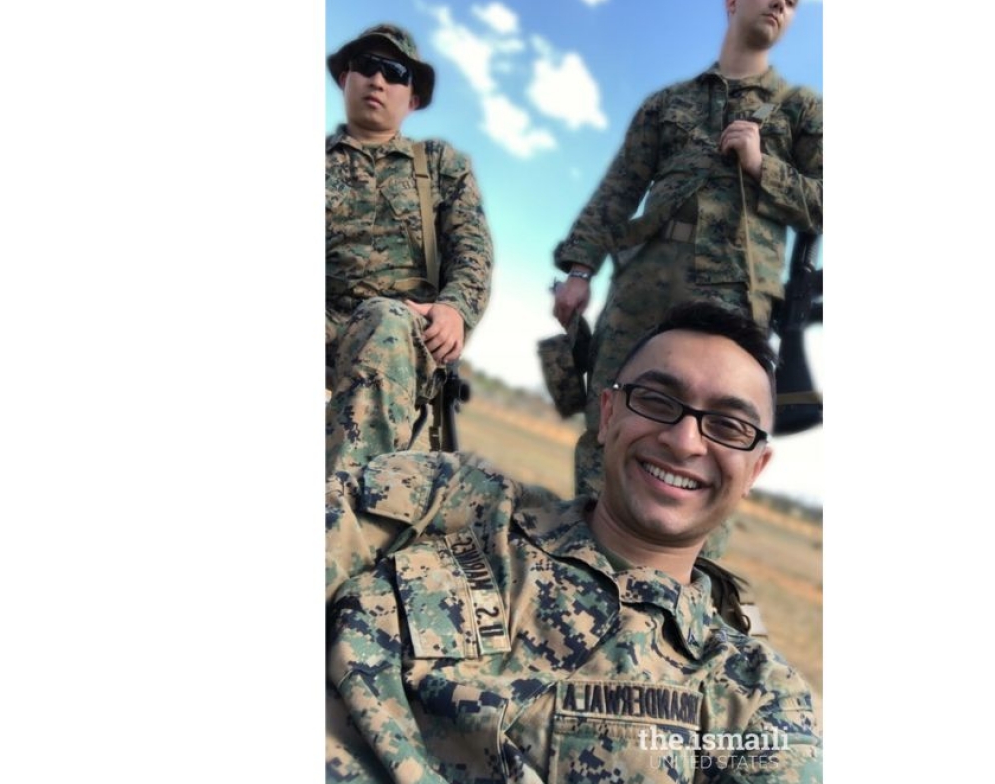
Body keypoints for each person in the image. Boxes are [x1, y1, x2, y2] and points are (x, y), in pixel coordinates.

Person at [325, 302, 821, 782]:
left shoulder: (758, 699)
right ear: (607, 416)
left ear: (756, 468)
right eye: (656, 401)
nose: (685, 441)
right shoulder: (453, 498)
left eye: (729, 426)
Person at [551, 0, 822, 496]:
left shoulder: (801, 111)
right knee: (612, 416)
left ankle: (673, 576)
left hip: (735, 296)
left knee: (708, 439)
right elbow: (618, 189)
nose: (779, 2)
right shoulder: (667, 104)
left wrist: (762, 166)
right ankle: (580, 558)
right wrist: (581, 269)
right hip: (643, 282)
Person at [325, 23, 493, 477]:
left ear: (412, 98)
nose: (378, 80)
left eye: (394, 72)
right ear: (346, 79)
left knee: (385, 319)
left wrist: (455, 309)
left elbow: (471, 249)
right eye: (366, 66)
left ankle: (339, 511)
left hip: (400, 331)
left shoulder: (440, 166)